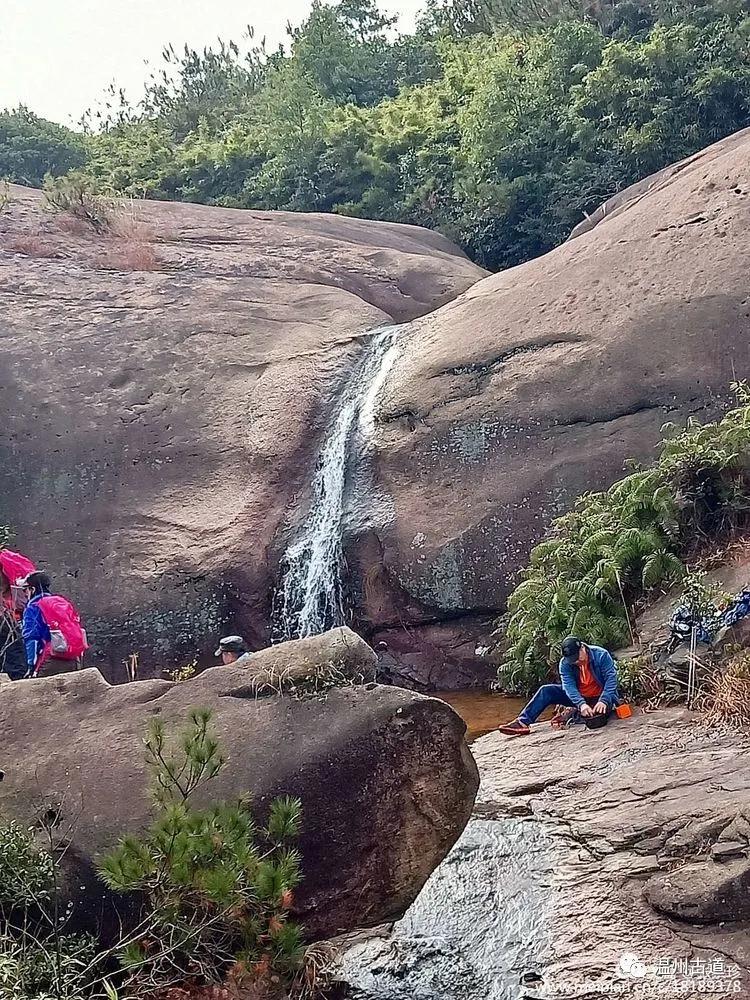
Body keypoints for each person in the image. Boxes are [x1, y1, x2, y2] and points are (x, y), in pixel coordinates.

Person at [499, 636, 620, 736]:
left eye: (577, 658)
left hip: (600, 696)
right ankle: (522, 722)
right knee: (546, 691)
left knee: (598, 718)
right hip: (580, 696)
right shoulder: (565, 663)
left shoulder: (601, 655)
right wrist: (581, 704)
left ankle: (575, 713)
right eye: (572, 660)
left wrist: (604, 700)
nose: (576, 661)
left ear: (582, 648)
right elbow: (569, 686)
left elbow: (611, 679)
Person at [21, 571, 88, 678]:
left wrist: (31, 666)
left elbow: (32, 638)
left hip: (50, 658)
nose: (24, 593)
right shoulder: (61, 601)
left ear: (32, 589)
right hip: (73, 658)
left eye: (25, 590)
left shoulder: (33, 607)